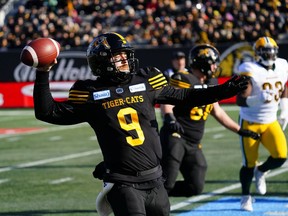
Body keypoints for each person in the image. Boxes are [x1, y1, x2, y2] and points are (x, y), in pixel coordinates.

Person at [31, 32, 248, 216]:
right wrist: (43, 73)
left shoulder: (146, 81)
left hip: (156, 180)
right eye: (119, 57)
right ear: (103, 62)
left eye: (126, 55)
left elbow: (187, 96)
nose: (126, 60)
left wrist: (225, 90)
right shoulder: (90, 93)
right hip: (123, 183)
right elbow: (48, 112)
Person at [159, 44, 259, 197]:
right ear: (202, 63)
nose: (215, 67)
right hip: (176, 136)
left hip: (193, 142)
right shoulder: (182, 78)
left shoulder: (211, 83)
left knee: (195, 186)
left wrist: (240, 130)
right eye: (212, 63)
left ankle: (154, 194)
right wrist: (169, 118)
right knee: (167, 181)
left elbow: (217, 111)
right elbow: (167, 102)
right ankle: (153, 201)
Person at [235, 36, 288, 212]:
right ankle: (245, 197)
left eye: (272, 52)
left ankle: (262, 171)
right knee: (248, 163)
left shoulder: (282, 65)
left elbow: (284, 87)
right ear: (258, 53)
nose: (270, 55)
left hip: (270, 120)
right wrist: (257, 99)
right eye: (266, 52)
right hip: (250, 121)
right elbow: (240, 100)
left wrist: (285, 110)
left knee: (280, 156)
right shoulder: (249, 69)